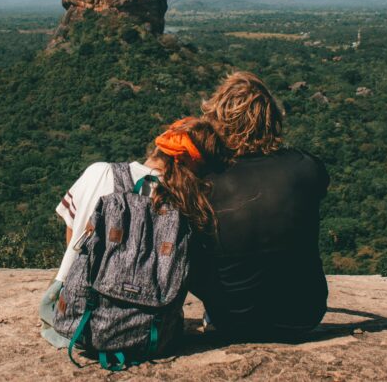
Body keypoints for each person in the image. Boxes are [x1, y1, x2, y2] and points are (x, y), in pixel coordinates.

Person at [39, 117, 222, 348]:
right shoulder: (190, 205)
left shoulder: (101, 173)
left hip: (77, 322)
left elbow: (72, 235)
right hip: (151, 330)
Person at [190, 71, 330, 340]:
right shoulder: (307, 168)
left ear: (218, 121)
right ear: (273, 119)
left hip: (232, 319)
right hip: (303, 315)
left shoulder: (207, 181)